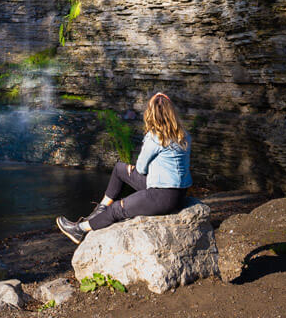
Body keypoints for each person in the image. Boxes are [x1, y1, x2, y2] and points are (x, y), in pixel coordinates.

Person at [56, 92, 192, 245]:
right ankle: (100, 210)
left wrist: (137, 167)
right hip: (178, 193)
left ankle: (79, 230)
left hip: (162, 196)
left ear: (152, 114)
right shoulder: (184, 136)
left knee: (116, 209)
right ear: (171, 112)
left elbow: (140, 169)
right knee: (120, 169)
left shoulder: (156, 137)